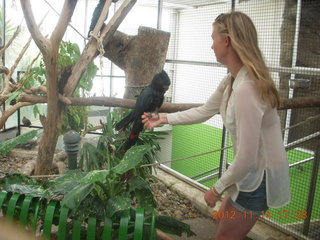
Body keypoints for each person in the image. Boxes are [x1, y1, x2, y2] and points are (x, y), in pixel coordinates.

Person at [142, 11, 290, 240]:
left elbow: (248, 157)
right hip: (246, 174)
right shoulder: (232, 78)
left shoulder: (247, 89)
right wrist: (164, 118)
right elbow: (204, 110)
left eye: (213, 39)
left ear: (227, 41)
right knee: (222, 225)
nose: (212, 46)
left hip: (259, 178)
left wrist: (217, 188)